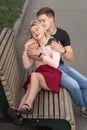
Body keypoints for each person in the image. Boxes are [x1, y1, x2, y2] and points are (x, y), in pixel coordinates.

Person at [27, 7, 87, 118]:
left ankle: (85, 106)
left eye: (43, 20)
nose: (41, 24)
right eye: (39, 21)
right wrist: (45, 56)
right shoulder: (37, 34)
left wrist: (62, 50)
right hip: (49, 69)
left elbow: (71, 57)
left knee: (85, 83)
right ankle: (83, 107)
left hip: (61, 66)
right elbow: (31, 53)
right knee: (74, 86)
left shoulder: (62, 34)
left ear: (52, 19)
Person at [7, 20, 62, 123]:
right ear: (32, 36)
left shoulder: (53, 43)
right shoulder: (34, 46)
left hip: (52, 74)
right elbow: (27, 65)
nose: (35, 32)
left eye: (37, 29)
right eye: (32, 32)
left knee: (34, 76)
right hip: (40, 74)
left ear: (42, 29)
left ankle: (27, 105)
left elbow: (55, 64)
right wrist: (26, 48)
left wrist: (41, 55)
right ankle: (18, 114)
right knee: (30, 88)